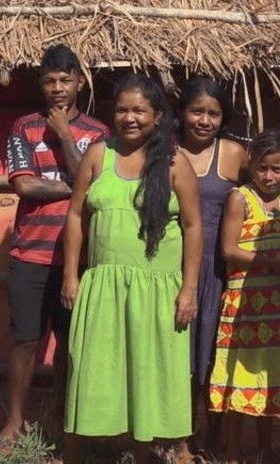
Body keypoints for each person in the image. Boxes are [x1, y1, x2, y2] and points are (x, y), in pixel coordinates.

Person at [59, 73, 204, 464]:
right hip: (104, 285)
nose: (129, 118)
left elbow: (193, 227)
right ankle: (77, 453)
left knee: (147, 371)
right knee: (92, 369)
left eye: (139, 110)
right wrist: (71, 274)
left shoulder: (175, 162)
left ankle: (144, 453)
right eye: (122, 110)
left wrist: (189, 289)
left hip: (156, 290)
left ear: (157, 116)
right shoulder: (97, 155)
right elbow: (75, 216)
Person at [0, 44, 109, 443]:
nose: (58, 88)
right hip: (31, 252)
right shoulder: (23, 127)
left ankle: (63, 416)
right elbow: (24, 184)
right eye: (50, 81)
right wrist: (73, 186)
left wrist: (64, 134)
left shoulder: (99, 134)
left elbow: (98, 187)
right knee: (25, 340)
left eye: (65, 80)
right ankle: (14, 420)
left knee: (70, 342)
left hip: (79, 260)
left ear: (80, 82)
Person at [208, 130, 280, 464]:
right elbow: (230, 250)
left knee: (271, 379)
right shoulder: (239, 198)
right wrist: (273, 263)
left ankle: (264, 453)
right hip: (247, 303)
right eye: (262, 168)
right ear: (250, 166)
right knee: (241, 380)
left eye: (277, 169)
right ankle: (231, 455)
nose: (269, 176)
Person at [175, 76, 246, 454]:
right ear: (182, 112)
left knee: (215, 354)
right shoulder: (167, 151)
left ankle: (213, 436)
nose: (204, 120)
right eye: (196, 111)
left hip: (220, 272)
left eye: (213, 113)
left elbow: (262, 192)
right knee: (178, 355)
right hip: (176, 269)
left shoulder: (234, 154)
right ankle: (180, 437)